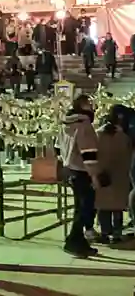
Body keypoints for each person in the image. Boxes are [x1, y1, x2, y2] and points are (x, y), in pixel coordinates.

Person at [59, 94, 100, 257]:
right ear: (82, 106)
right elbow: (88, 153)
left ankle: (78, 241)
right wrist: (94, 175)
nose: (92, 107)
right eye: (88, 104)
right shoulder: (84, 124)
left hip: (70, 168)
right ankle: (74, 240)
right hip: (83, 171)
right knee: (85, 208)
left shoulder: (66, 124)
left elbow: (59, 146)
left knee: (80, 207)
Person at [95, 104, 132, 243]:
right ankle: (116, 233)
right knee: (117, 206)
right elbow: (128, 155)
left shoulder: (98, 134)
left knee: (103, 205)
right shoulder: (123, 136)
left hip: (102, 173)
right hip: (120, 175)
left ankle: (105, 232)